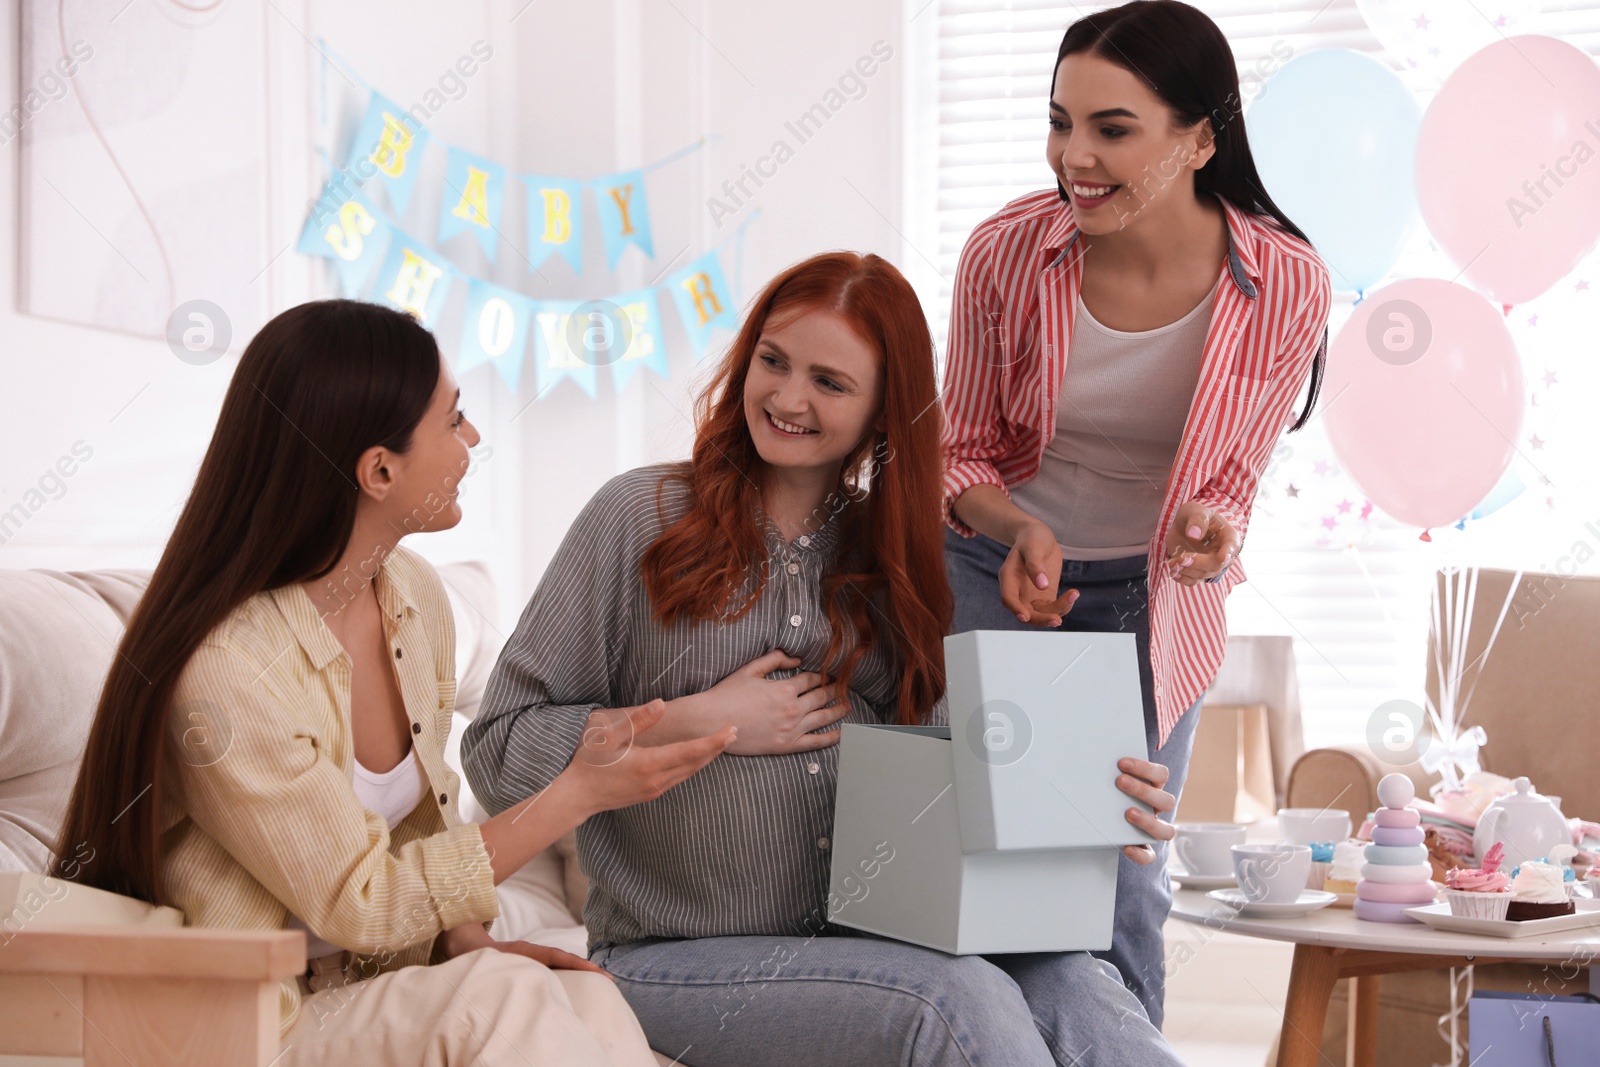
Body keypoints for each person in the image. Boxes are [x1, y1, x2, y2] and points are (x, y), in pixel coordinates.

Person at [461, 251, 1186, 1066]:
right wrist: (698, 723)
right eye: (773, 361)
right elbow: (496, 752)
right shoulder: (638, 518)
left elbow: (959, 765)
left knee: (1083, 990)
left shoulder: (898, 557)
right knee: (955, 1002)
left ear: (884, 410)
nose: (787, 397)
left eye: (830, 383)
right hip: (670, 960)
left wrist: (1082, 795)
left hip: (878, 940)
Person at [50, 299, 734, 1066]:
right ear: (379, 469)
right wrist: (574, 792)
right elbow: (364, 900)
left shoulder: (413, 596)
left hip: (377, 986)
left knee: (583, 991)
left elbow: (420, 827)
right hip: (251, 1020)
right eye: (454, 420)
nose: (472, 438)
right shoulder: (230, 669)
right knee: (498, 1002)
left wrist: (473, 943)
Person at [940, 0, 1334, 1027]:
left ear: (1201, 136)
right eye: (1060, 121)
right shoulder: (1006, 254)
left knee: (1123, 878)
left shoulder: (1284, 282)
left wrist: (1217, 527)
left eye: (1112, 128)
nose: (1075, 154)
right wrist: (1017, 526)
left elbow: (1230, 477)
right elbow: (958, 451)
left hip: (1148, 599)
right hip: (998, 571)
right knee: (996, 874)